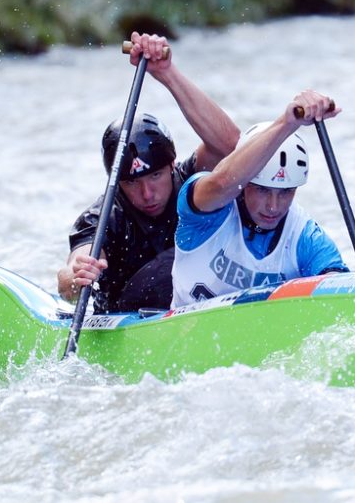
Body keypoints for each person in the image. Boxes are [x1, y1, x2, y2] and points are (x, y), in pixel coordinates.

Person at [57, 32, 240, 313]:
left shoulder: (190, 184)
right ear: (117, 183)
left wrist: (167, 73)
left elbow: (231, 145)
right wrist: (77, 277)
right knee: (169, 266)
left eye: (155, 176)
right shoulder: (104, 216)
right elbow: (69, 276)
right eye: (132, 182)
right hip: (131, 314)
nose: (147, 193)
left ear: (171, 165)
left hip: (197, 301)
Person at [171, 90, 349, 307]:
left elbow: (340, 295)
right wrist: (288, 123)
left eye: (285, 192)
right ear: (245, 183)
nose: (274, 207)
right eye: (263, 190)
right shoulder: (207, 209)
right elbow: (223, 181)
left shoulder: (304, 235)